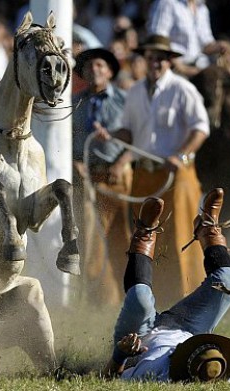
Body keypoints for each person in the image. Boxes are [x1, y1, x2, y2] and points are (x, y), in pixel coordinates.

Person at [104, 189, 230, 382]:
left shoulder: (155, 372)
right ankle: (208, 230)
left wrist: (120, 354)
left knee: (140, 298)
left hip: (142, 336)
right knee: (228, 280)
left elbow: (109, 379)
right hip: (190, 329)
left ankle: (144, 233)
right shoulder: (212, 371)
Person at [95, 34, 210, 308]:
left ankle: (188, 298)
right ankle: (152, 300)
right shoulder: (134, 92)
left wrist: (182, 155)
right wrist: (110, 135)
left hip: (176, 174)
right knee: (147, 239)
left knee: (180, 235)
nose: (155, 63)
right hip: (144, 174)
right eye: (151, 57)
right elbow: (130, 132)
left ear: (169, 61)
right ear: (144, 60)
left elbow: (201, 128)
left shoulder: (182, 89)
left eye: (161, 58)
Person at [72, 48, 131, 306]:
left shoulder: (124, 100)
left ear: (109, 71)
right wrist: (75, 162)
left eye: (100, 65)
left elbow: (139, 135)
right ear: (83, 73)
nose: (94, 70)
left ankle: (129, 293)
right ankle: (101, 299)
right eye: (89, 66)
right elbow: (66, 137)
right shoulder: (75, 103)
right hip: (88, 178)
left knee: (123, 236)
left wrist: (122, 162)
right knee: (92, 238)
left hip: (119, 176)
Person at [146, 0, 229, 77]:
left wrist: (219, 46)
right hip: (174, 69)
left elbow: (205, 44)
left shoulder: (202, 8)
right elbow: (158, 40)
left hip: (200, 67)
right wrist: (182, 68)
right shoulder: (167, 3)